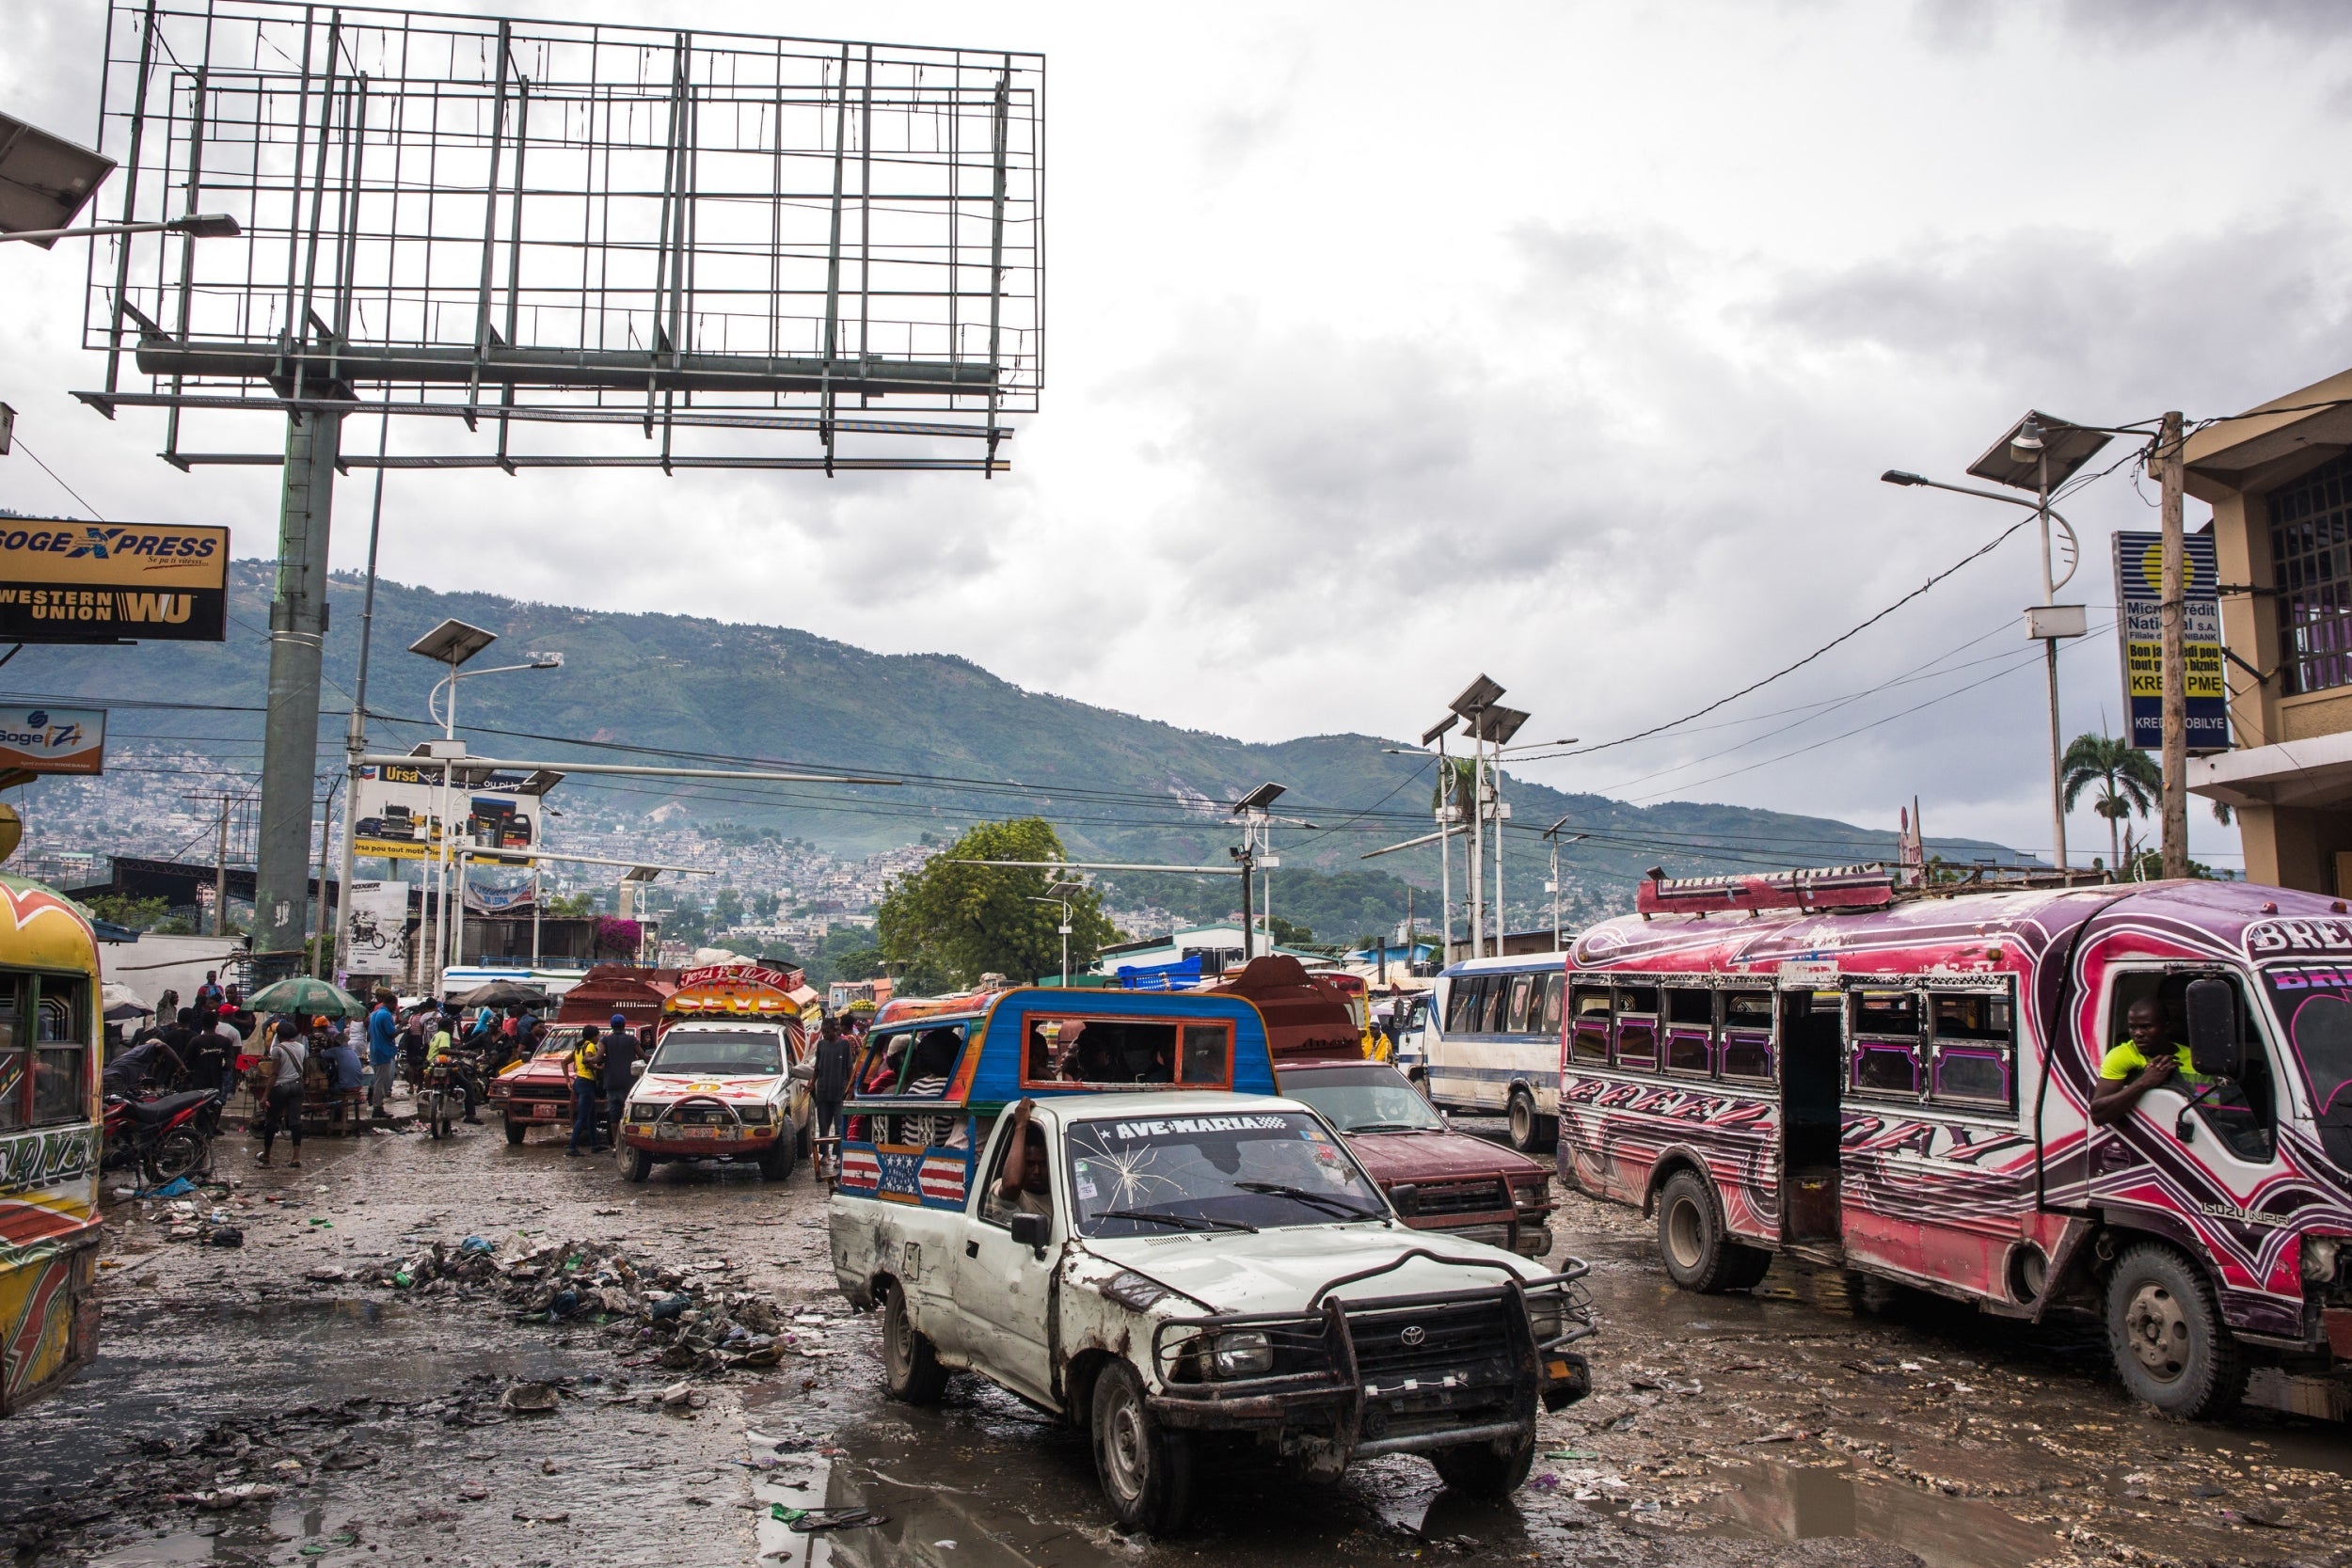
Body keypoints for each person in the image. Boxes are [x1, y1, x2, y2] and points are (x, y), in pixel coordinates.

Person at [2092, 997, 2209, 1128]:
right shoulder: (2121, 1055)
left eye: (2146, 1027)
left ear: (2167, 1027)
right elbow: (2098, 1115)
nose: (2138, 1034)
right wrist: (2145, 1081)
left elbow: (2211, 1109)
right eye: (2132, 1027)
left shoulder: (2195, 1060)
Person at [984, 1097, 1050, 1221]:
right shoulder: (1002, 1187)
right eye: (1029, 1163)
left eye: (1043, 1164)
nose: (1037, 1171)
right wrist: (1021, 1126)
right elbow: (1012, 1185)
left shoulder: (1065, 1194)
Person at [256, 1020, 308, 1168]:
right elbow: (305, 1067)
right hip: (298, 1086)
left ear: (278, 1036)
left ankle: (266, 1155)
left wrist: (265, 1095)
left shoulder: (277, 1050)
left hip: (280, 1087)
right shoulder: (301, 1047)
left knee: (271, 1121)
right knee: (295, 1121)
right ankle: (296, 1157)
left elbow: (274, 1073)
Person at [812, 1013, 856, 1148]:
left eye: (827, 1032)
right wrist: (811, 1084)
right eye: (823, 1032)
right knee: (823, 1125)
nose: (824, 1034)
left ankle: (838, 1155)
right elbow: (817, 1068)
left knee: (839, 1125)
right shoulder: (821, 1045)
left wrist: (851, 1088)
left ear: (834, 1030)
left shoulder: (844, 1045)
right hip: (823, 1091)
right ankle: (824, 1154)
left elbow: (850, 1068)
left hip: (839, 1092)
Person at [598, 1014, 636, 1152]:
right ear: (624, 1025)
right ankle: (629, 1143)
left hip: (612, 1082)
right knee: (629, 1114)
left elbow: (598, 1057)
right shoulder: (632, 1040)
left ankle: (616, 1144)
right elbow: (642, 1056)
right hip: (629, 1082)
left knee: (614, 1115)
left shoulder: (605, 1040)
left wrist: (588, 1060)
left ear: (612, 1026)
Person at [103, 1036, 184, 1098]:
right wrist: (181, 1064)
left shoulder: (136, 1056)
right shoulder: (146, 1048)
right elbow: (163, 1046)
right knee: (122, 1106)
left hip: (108, 1076)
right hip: (115, 1078)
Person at [567, 1025, 604, 1158]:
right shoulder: (590, 1046)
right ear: (593, 1036)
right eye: (597, 1036)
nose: (599, 1038)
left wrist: (567, 1080)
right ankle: (572, 1147)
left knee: (592, 1115)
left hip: (578, 1082)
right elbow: (587, 1061)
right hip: (586, 1083)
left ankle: (595, 1145)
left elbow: (564, 1062)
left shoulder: (578, 1047)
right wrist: (599, 1068)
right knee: (582, 1118)